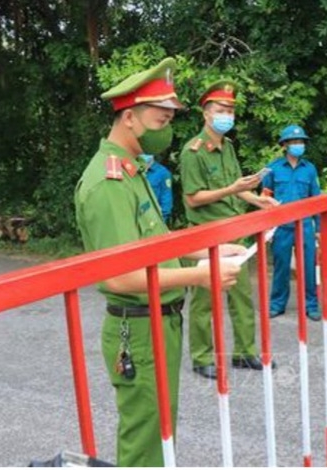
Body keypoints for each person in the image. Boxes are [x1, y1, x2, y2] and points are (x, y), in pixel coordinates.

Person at [74, 58, 242, 466]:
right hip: (138, 327)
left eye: (169, 120)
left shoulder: (134, 171)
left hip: (160, 320)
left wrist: (209, 252)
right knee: (145, 437)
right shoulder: (109, 181)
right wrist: (202, 275)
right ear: (129, 117)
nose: (166, 130)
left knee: (161, 428)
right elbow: (118, 276)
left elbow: (154, 245)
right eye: (159, 120)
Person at [179, 80, 279, 380]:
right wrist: (232, 189)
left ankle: (244, 353)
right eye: (221, 109)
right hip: (206, 234)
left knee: (242, 296)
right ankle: (201, 356)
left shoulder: (228, 147)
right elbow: (193, 199)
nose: (227, 115)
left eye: (231, 110)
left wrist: (259, 201)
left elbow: (236, 189)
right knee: (204, 299)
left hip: (234, 231)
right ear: (206, 113)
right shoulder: (192, 152)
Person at [261, 124, 321, 321]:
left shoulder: (309, 169)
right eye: (294, 142)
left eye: (301, 141)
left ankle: (311, 305)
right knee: (281, 267)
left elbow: (316, 199)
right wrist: (267, 228)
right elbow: (265, 199)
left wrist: (319, 229)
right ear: (285, 145)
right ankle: (277, 304)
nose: (298, 145)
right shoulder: (272, 169)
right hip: (281, 227)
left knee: (309, 267)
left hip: (304, 225)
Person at [140, 153, 173, 223]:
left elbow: (166, 199)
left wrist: (161, 221)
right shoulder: (134, 170)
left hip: (154, 218)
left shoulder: (162, 172)